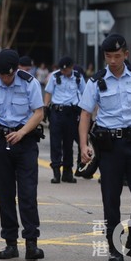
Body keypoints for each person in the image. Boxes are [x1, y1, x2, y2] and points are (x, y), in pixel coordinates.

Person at [78, 34, 131, 261]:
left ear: (126, 54)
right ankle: (115, 248)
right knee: (111, 198)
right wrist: (84, 144)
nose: (112, 61)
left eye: (116, 56)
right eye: (108, 56)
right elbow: (85, 114)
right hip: (110, 147)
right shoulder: (96, 81)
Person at [0, 49, 45, 261]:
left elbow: (39, 112)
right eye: (2, 75)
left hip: (25, 143)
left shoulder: (29, 82)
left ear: (15, 70)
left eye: (9, 75)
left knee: (27, 194)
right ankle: (10, 243)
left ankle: (31, 243)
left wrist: (22, 132)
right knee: (5, 195)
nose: (5, 79)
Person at [44, 56, 85, 184]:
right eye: (62, 70)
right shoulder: (55, 77)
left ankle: (67, 172)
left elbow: (84, 93)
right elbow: (48, 93)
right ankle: (56, 172)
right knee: (55, 143)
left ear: (71, 67)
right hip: (57, 112)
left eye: (66, 70)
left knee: (69, 143)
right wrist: (45, 107)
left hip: (71, 113)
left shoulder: (78, 77)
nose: (63, 72)